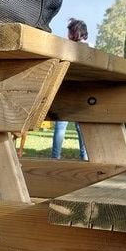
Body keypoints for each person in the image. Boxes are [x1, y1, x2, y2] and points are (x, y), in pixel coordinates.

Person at [51, 17, 89, 159]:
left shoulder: (67, 48)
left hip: (66, 90)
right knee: (82, 128)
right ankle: (85, 157)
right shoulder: (90, 48)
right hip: (83, 92)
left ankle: (55, 157)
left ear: (74, 33)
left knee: (60, 127)